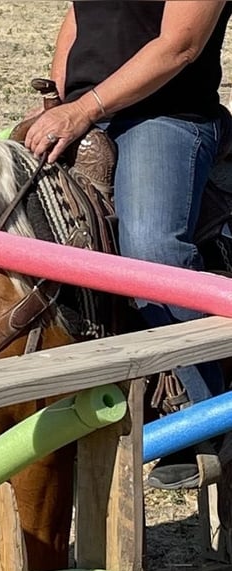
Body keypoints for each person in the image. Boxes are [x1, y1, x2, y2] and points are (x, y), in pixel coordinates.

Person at [24, 1, 232, 490]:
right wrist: (59, 99)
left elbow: (178, 47)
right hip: (87, 113)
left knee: (151, 248)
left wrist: (82, 109)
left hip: (164, 115)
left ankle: (204, 418)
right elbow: (79, 17)